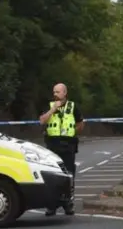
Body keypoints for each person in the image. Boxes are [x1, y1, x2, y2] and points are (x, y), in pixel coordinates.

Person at [39, 83, 84, 216]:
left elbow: (80, 123)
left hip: (68, 146)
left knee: (69, 176)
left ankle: (68, 204)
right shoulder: (49, 106)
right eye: (54, 92)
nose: (55, 94)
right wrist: (53, 109)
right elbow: (42, 121)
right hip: (52, 146)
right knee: (51, 176)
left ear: (65, 93)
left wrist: (72, 133)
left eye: (58, 92)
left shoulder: (73, 107)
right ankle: (51, 205)